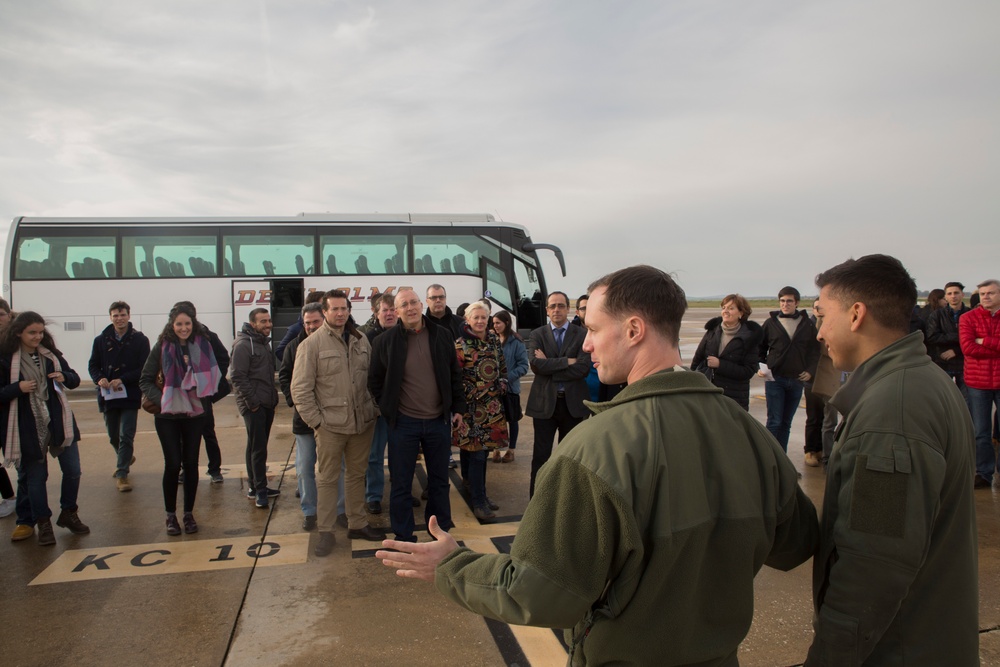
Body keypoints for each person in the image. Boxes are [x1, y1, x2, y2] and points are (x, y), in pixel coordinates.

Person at [377, 265, 818, 665]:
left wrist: (453, 566)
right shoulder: (749, 433)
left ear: (633, 330)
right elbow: (796, 543)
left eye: (592, 328)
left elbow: (541, 592)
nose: (586, 343)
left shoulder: (593, 449)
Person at [805, 254, 978, 664]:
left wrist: (830, 655)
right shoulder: (924, 378)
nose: (819, 333)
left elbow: (873, 563)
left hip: (899, 648)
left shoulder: (892, 410)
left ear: (856, 314)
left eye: (823, 316)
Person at [291, 290, 384, 557]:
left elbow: (371, 379)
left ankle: (357, 523)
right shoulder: (311, 346)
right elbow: (300, 390)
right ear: (324, 312)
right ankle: (326, 531)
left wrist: (373, 409)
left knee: (356, 475)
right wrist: (317, 423)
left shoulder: (361, 339)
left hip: (362, 424)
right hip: (330, 426)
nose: (340, 313)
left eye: (344, 308)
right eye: (334, 309)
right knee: (327, 479)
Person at [369, 288, 465, 543]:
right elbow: (374, 381)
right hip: (403, 424)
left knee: (439, 482)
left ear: (421, 304)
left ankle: (440, 532)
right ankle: (403, 535)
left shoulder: (442, 335)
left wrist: (459, 409)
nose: (410, 308)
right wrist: (388, 408)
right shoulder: (384, 342)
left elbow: (455, 375)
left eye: (414, 303)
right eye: (404, 305)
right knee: (400, 484)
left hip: (438, 422)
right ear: (396, 311)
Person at [1, 312, 90, 545]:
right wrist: (17, 387)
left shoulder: (51, 355)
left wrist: (64, 376)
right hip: (28, 427)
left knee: (73, 470)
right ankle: (43, 523)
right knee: (36, 479)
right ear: (18, 332)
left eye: (40, 332)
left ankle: (69, 512)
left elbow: (74, 379)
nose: (37, 337)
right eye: (32, 332)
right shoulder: (6, 358)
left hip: (60, 422)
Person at [140, 303, 222, 536]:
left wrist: (202, 393)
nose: (183, 328)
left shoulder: (203, 345)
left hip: (194, 414)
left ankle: (188, 513)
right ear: (172, 324)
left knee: (191, 463)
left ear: (192, 323)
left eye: (187, 323)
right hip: (167, 416)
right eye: (179, 324)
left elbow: (214, 375)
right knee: (173, 464)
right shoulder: (162, 346)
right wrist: (166, 399)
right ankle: (170, 516)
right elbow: (144, 380)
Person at [280, 302, 343, 531]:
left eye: (315, 322)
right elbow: (285, 378)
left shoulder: (338, 342)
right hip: (305, 421)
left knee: (338, 467)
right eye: (307, 323)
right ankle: (310, 511)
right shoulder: (294, 348)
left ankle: (340, 510)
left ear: (323, 319)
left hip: (333, 420)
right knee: (305, 467)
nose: (311, 326)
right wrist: (295, 403)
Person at [525, 291, 591, 497]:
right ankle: (536, 500)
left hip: (572, 405)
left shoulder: (581, 335)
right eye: (552, 306)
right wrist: (567, 361)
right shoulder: (537, 334)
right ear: (546, 310)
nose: (557, 310)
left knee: (569, 457)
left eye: (561, 306)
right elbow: (536, 365)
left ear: (568, 309)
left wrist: (550, 366)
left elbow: (582, 368)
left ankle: (566, 500)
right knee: (541, 457)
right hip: (545, 404)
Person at [453, 302, 508, 522]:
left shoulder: (494, 339)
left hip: (492, 408)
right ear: (467, 320)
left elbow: (501, 365)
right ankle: (479, 500)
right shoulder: (460, 344)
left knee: (481, 453)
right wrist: (475, 392)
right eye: (475, 317)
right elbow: (455, 377)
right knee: (475, 454)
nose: (479, 321)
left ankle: (477, 493)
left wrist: (502, 381)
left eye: (483, 317)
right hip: (471, 409)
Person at [87, 300, 150, 492]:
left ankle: (122, 473)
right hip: (108, 395)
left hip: (129, 393)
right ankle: (126, 457)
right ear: (110, 317)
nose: (119, 318)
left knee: (126, 435)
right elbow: (93, 365)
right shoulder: (100, 340)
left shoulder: (140, 339)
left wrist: (122, 379)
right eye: (115, 315)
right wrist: (100, 379)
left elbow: (145, 368)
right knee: (113, 435)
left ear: (129, 316)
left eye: (123, 315)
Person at [173, 301, 229, 484]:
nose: (183, 326)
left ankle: (214, 469)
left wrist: (212, 382)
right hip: (182, 394)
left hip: (202, 393)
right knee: (183, 435)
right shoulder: (171, 340)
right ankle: (186, 469)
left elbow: (223, 358)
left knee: (207, 432)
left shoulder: (206, 336)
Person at [758, 286, 820, 452]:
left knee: (786, 423)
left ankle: (782, 460)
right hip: (775, 379)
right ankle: (770, 459)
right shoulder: (771, 323)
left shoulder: (806, 324)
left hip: (796, 380)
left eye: (789, 301)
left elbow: (815, 351)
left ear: (797, 303)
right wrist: (761, 367)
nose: (785, 304)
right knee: (774, 422)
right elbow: (759, 348)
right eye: (782, 301)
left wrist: (810, 371)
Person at [231, 307, 280, 509]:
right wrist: (253, 403)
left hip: (266, 402)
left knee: (256, 446)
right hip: (254, 405)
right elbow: (237, 376)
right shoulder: (244, 345)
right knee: (257, 448)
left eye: (269, 320)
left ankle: (255, 486)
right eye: (263, 322)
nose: (268, 324)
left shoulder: (262, 343)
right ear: (253, 324)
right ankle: (259, 490)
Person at [960, 279, 1000, 489]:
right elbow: (967, 348)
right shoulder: (968, 318)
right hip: (978, 382)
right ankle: (984, 473)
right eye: (982, 293)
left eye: (990, 293)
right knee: (981, 430)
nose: (985, 297)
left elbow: (977, 346)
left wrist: (983, 341)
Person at [691, 293, 763, 411]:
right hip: (709, 393)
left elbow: (748, 371)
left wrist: (720, 365)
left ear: (741, 313)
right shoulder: (713, 331)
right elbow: (698, 358)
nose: (725, 311)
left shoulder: (750, 337)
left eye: (731, 308)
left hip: (734, 397)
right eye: (723, 308)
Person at [364, 293, 398, 514]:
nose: (390, 313)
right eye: (385, 310)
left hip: (403, 407)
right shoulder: (367, 338)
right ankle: (373, 496)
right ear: (376, 313)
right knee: (375, 455)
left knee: (401, 454)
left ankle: (400, 492)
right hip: (377, 408)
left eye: (393, 309)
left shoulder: (406, 334)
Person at [926, 281, 972, 408]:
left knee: (965, 403)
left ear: (962, 294)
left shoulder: (971, 314)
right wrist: (959, 336)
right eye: (949, 293)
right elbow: (932, 337)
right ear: (945, 296)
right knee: (943, 402)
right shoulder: (937, 315)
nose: (953, 296)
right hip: (943, 362)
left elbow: (974, 339)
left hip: (965, 363)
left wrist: (956, 350)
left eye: (956, 293)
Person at [490, 310, 528, 464]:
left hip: (510, 388)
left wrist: (507, 378)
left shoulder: (516, 342)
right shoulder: (492, 339)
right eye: (493, 323)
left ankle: (511, 450)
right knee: (496, 420)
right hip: (493, 388)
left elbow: (523, 366)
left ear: (506, 323)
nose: (495, 326)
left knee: (512, 420)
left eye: (498, 322)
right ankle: (496, 449)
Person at [0, 299, 17, 518]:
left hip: (11, 411)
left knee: (21, 462)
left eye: (1, 314)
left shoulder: (15, 344)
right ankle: (9, 497)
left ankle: (17, 501)